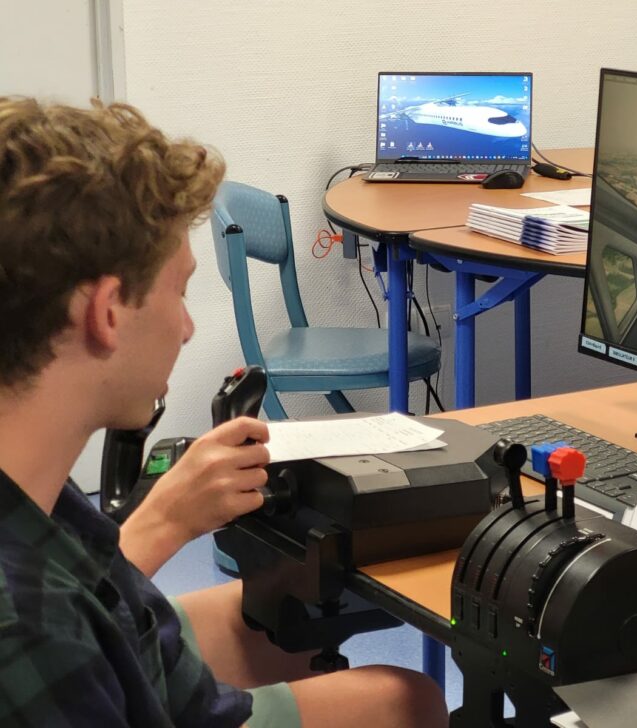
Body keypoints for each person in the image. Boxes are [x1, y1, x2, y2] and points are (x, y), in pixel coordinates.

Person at [0, 96, 449, 727]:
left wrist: (162, 519)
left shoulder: (37, 489)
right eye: (179, 291)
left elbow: (95, 588)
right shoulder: (32, 637)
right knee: (411, 702)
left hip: (119, 649)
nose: (185, 327)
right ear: (104, 314)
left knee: (280, 616)